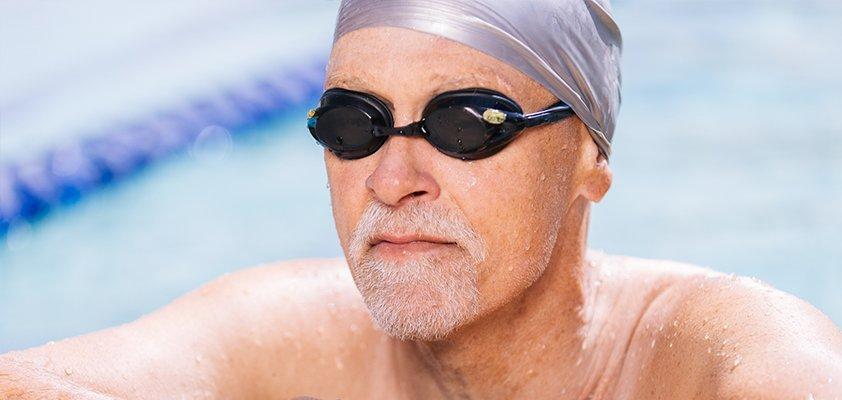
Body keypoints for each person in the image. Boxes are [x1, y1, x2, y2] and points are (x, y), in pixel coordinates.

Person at [2, 1, 840, 399]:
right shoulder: (284, 340)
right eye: (353, 124)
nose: (392, 178)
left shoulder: (711, 354)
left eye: (466, 123)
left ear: (589, 157)